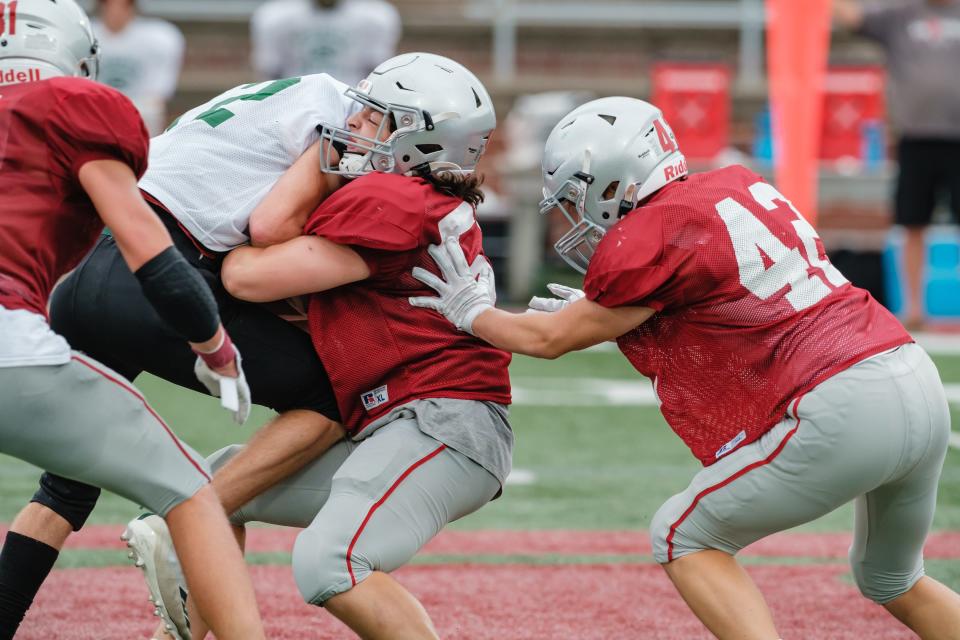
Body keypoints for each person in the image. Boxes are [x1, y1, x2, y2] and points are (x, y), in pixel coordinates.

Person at [411, 97, 960, 639]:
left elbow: (551, 339)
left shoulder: (653, 229)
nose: (576, 215)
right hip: (913, 377)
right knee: (892, 577)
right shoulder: (736, 184)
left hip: (845, 403)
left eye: (577, 196)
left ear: (613, 181)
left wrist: (473, 312)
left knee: (683, 536)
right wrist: (597, 314)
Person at [138, 52, 512, 640]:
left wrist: (224, 233)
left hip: (442, 420)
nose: (354, 123)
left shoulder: (396, 201)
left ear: (421, 141)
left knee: (329, 562)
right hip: (400, 421)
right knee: (212, 493)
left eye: (374, 116)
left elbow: (248, 272)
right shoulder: (413, 198)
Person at [0, 70, 360, 638]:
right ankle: (196, 517)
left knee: (64, 488)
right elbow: (269, 228)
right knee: (333, 392)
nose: (369, 132)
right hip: (159, 271)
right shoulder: (334, 110)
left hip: (84, 273)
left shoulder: (263, 99)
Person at [0, 2, 267, 639]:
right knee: (193, 490)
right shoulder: (74, 106)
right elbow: (149, 251)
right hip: (8, 341)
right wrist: (216, 348)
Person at [834, 0, 960, 330]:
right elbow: (851, 17)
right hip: (915, 138)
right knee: (912, 222)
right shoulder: (900, 16)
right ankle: (915, 308)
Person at [252, 0, 401, 86]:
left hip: (353, 102)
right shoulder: (275, 16)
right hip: (293, 99)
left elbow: (378, 73)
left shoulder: (375, 16)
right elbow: (269, 70)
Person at [92, 0, 185, 134]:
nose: (116, 11)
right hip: (95, 104)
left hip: (138, 105)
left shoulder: (158, 37)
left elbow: (158, 93)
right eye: (109, 4)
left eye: (124, 5)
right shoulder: (86, 34)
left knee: (150, 109)